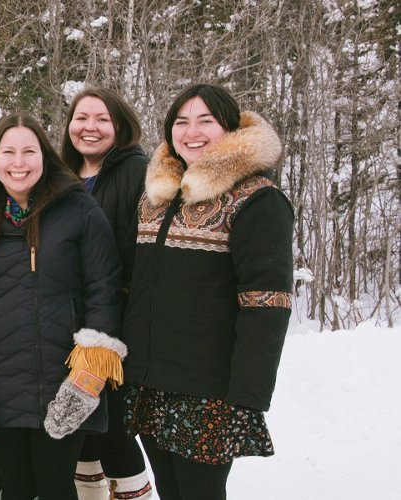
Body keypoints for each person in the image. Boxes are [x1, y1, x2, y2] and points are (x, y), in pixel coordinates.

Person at [0, 114, 125, 500]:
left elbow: (104, 289)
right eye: (8, 152)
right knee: (15, 487)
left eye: (28, 151)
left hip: (64, 379)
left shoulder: (79, 210)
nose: (18, 163)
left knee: (55, 486)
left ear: (45, 156)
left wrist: (88, 375)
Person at [120, 84, 292, 500]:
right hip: (148, 379)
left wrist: (247, 394)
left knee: (201, 492)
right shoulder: (156, 198)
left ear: (229, 129)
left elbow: (267, 304)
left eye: (205, 121)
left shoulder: (257, 199)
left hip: (209, 388)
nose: (191, 132)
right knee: (170, 490)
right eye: (181, 122)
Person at [59, 87, 154, 499]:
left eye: (101, 119)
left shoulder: (138, 172)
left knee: (113, 428)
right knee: (80, 428)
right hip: (66, 323)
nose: (89, 127)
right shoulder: (60, 177)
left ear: (120, 126)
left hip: (116, 322)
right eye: (81, 118)